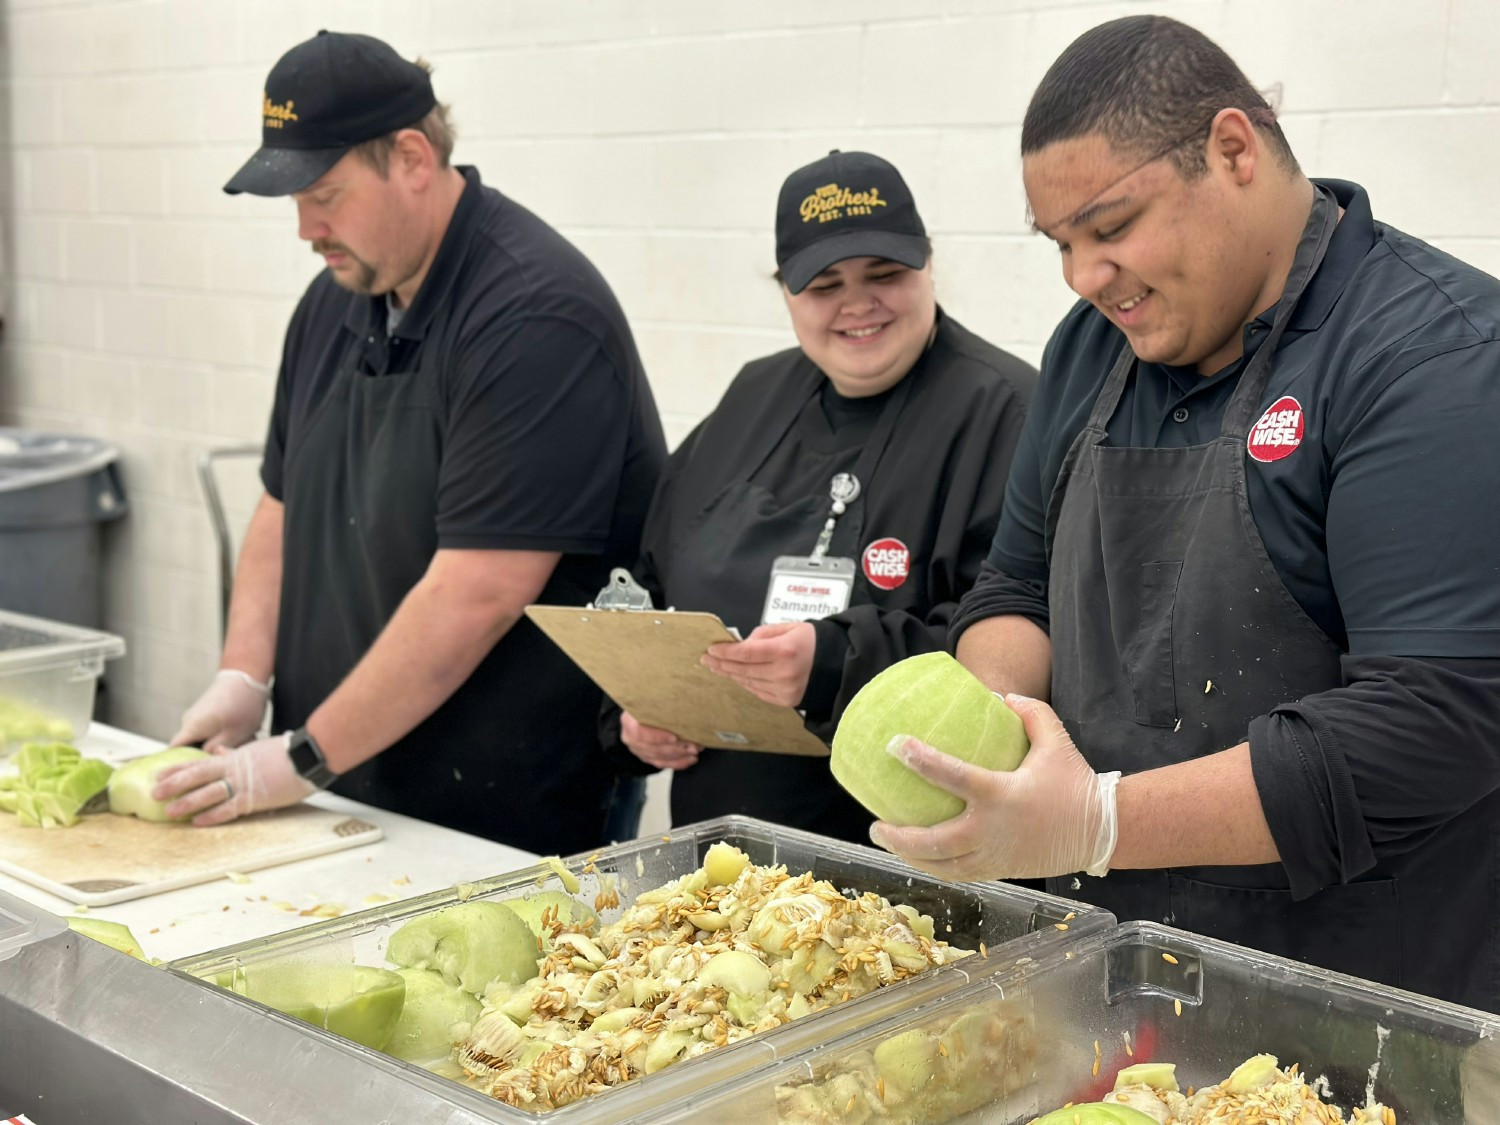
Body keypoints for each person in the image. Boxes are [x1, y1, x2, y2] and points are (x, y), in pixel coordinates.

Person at [870, 15, 1500, 1011]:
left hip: (1362, 1000)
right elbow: (1016, 587)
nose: (1083, 278)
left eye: (1112, 228)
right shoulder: (1091, 348)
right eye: (1062, 245)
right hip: (1108, 972)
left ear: (1233, 150)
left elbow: (1431, 725)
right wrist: (989, 741)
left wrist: (1096, 822)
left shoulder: (1434, 360)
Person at [155, 31, 666, 855]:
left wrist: (298, 760)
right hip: (348, 783)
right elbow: (282, 506)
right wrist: (242, 679)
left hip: (510, 813)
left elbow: (480, 591)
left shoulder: (535, 317)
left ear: (412, 157)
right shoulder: (339, 298)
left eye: (324, 193)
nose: (305, 229)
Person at [603, 150, 1036, 844]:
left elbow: (1018, 640)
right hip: (721, 854)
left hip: (905, 861)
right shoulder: (751, 397)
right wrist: (639, 708)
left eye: (885, 274)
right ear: (786, 292)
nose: (857, 303)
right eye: (824, 283)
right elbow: (648, 583)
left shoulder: (1008, 413)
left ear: (929, 264)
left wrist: (834, 659)